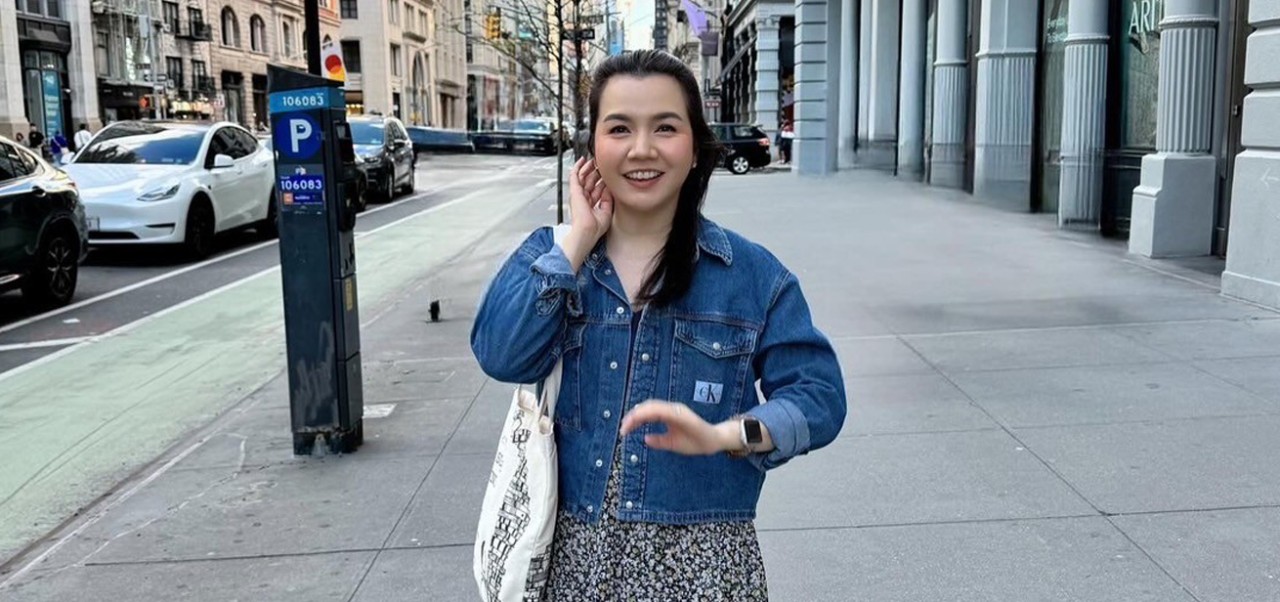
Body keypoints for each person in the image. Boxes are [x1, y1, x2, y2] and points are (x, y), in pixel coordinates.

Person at [470, 49, 846, 600]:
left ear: (695, 147)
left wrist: (727, 435)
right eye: (619, 128)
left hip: (706, 570)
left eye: (665, 128)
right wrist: (577, 241)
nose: (641, 149)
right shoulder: (551, 258)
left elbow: (819, 396)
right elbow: (500, 355)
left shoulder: (751, 276)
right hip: (571, 564)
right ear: (592, 147)